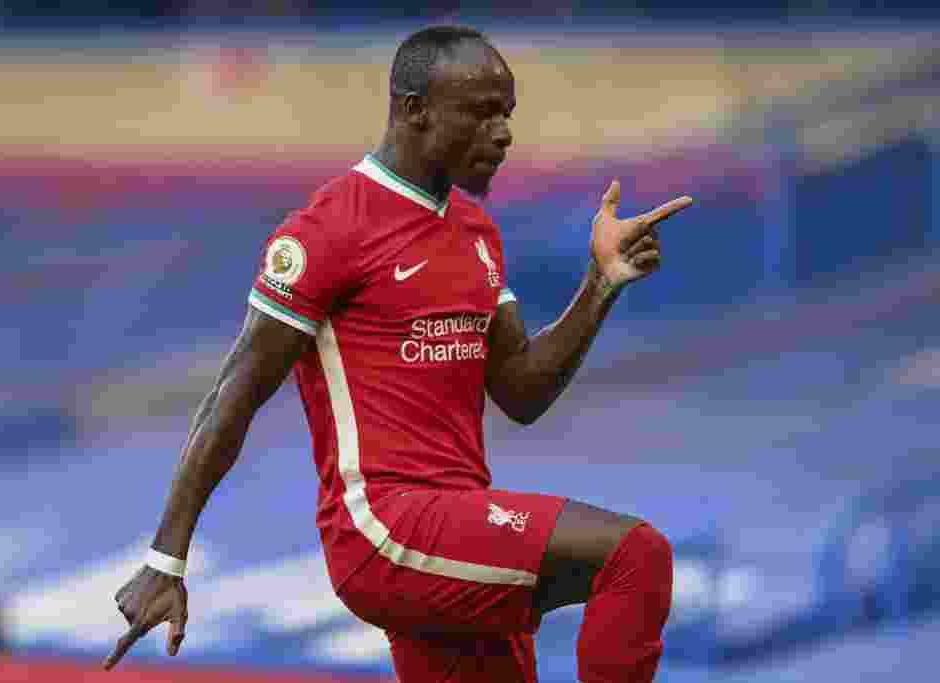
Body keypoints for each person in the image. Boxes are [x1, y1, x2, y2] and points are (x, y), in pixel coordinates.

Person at [104, 25, 692, 683]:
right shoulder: (328, 230)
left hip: (452, 529)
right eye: (482, 111)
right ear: (415, 109)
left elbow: (522, 389)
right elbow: (232, 395)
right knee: (635, 556)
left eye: (508, 114)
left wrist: (600, 282)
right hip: (384, 526)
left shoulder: (476, 232)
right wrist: (167, 559)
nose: (503, 134)